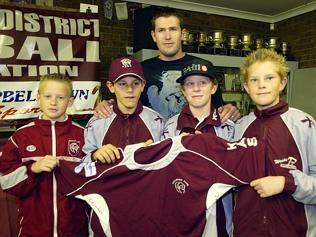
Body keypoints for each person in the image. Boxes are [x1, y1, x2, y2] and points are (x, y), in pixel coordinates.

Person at [95, 7, 240, 122]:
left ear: (183, 34)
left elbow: (219, 107)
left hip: (193, 142)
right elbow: (126, 101)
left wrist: (228, 110)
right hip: (153, 143)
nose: (168, 36)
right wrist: (107, 105)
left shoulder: (202, 66)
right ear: (153, 36)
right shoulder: (141, 69)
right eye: (161, 30)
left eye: (173, 29)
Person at [232, 48, 316, 237]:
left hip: (294, 230)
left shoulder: (305, 125)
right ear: (246, 87)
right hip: (246, 231)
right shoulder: (239, 128)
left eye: (269, 78)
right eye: (254, 80)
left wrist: (287, 184)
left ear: (282, 83)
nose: (262, 85)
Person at [0, 73, 89, 237]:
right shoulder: (21, 137)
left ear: (70, 101)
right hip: (33, 229)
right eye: (48, 96)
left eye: (60, 97)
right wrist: (33, 168)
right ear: (38, 98)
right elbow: (6, 182)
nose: (53, 102)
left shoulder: (84, 136)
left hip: (74, 228)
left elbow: (93, 181)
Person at [163, 58, 234, 237]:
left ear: (213, 87)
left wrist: (210, 149)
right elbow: (161, 173)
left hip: (219, 214)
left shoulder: (230, 127)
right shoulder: (170, 127)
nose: (196, 89)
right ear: (183, 90)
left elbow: (237, 173)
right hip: (179, 212)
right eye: (189, 84)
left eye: (203, 82)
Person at [83, 57, 164, 163]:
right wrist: (95, 155)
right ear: (111, 86)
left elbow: (166, 163)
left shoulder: (157, 121)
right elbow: (82, 164)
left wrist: (156, 156)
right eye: (122, 84)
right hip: (109, 179)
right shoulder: (96, 122)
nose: (130, 90)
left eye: (135, 83)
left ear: (142, 86)